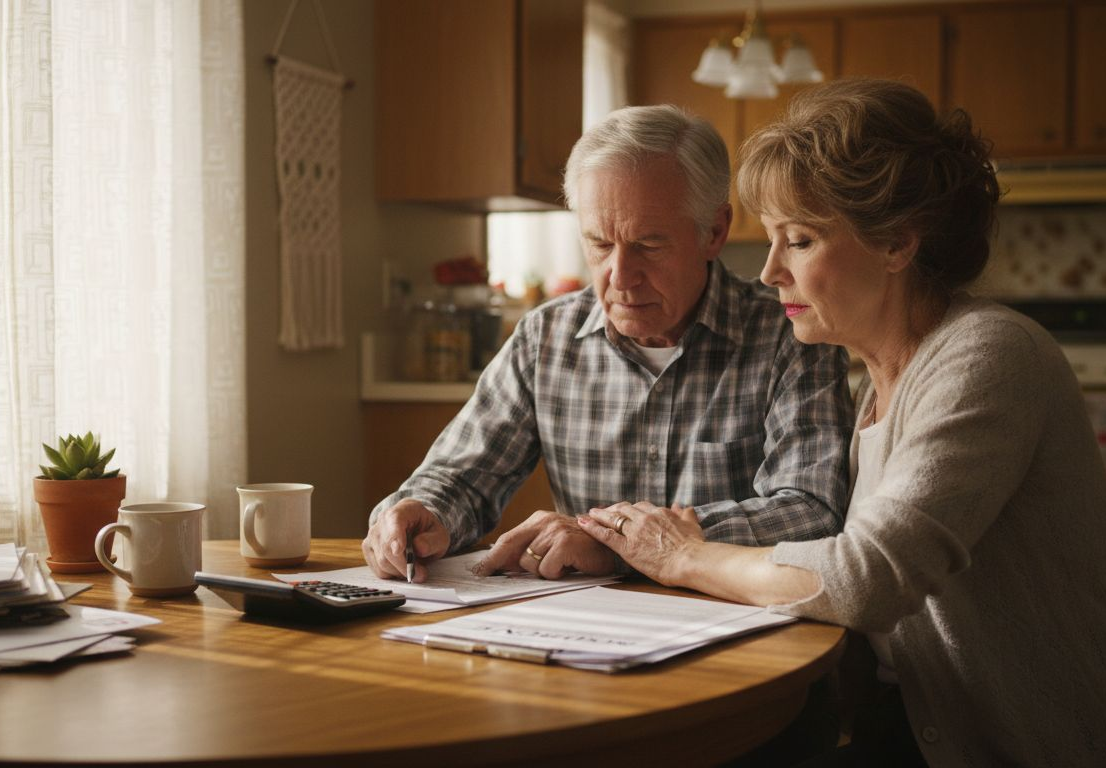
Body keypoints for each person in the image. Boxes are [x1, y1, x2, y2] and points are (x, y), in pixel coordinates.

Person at [578, 80, 1106, 767]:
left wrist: (683, 555)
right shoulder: (880, 382)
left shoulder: (988, 356)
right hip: (921, 729)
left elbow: (864, 579)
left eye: (799, 240)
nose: (771, 270)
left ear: (896, 243)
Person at [364, 104, 853, 584]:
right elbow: (461, 477)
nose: (620, 276)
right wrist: (419, 513)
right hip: (585, 638)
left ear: (715, 231)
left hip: (740, 632)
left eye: (648, 245)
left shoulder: (791, 334)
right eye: (599, 243)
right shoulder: (546, 338)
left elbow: (810, 510)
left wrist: (621, 544)